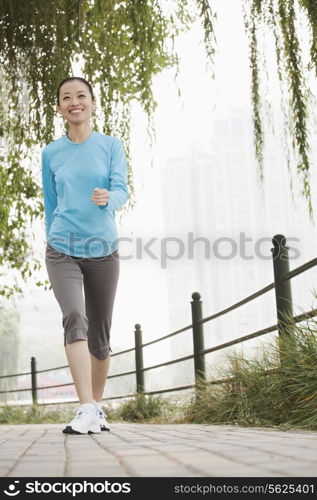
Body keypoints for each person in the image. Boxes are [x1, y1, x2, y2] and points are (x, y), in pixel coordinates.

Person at [41, 76, 129, 434]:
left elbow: (122, 187)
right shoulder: (51, 153)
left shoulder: (111, 146)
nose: (74, 102)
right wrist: (51, 237)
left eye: (81, 96)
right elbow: (51, 202)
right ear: (59, 108)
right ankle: (85, 407)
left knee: (101, 334)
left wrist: (110, 199)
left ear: (92, 103)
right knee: (75, 316)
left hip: (103, 250)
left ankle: (96, 408)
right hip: (62, 248)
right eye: (66, 97)